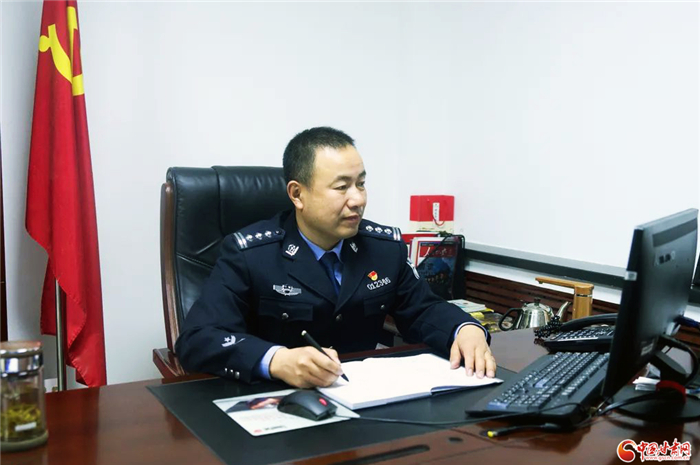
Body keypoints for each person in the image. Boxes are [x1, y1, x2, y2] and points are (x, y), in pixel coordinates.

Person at [175, 127, 496, 388]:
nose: (357, 199)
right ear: (297, 194)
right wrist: (275, 360)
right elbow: (198, 338)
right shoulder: (250, 254)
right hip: (281, 404)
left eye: (361, 184)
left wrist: (464, 329)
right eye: (342, 187)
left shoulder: (384, 248)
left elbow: (423, 310)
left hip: (365, 401)